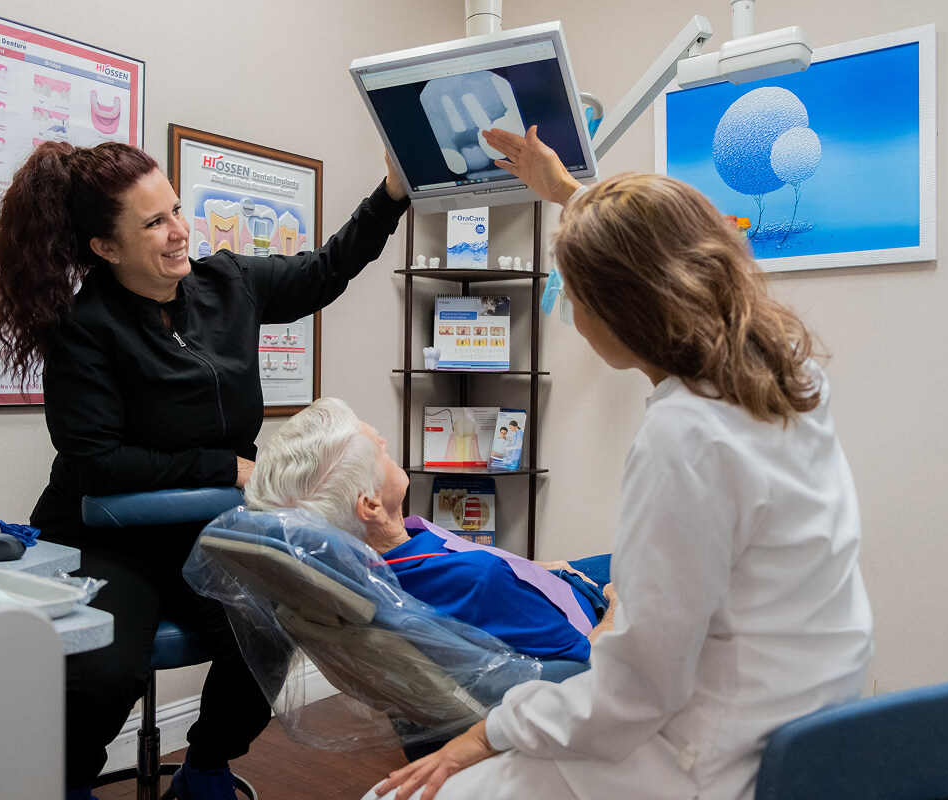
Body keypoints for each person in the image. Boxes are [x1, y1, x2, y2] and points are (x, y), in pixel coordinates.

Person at [365, 126, 873, 800]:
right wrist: (568, 194)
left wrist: (483, 734)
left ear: (621, 309)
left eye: (574, 293)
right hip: (815, 718)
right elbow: (660, 247)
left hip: (712, 757)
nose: (571, 310)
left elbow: (630, 699)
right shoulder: (784, 370)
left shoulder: (685, 435)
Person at [0, 140, 409, 800]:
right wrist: (225, 467)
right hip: (105, 538)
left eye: (176, 209)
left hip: (204, 532)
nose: (179, 230)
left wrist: (391, 196)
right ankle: (61, 782)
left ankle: (205, 765)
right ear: (104, 247)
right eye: (153, 222)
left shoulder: (226, 285)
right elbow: (98, 462)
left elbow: (325, 270)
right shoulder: (85, 329)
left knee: (273, 622)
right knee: (104, 672)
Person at [244, 397, 617, 664]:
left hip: (549, 584)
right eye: (378, 450)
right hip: (590, 614)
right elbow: (589, 662)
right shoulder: (475, 581)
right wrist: (619, 606)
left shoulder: (373, 568)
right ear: (371, 506)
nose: (385, 443)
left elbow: (491, 576)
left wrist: (541, 568)